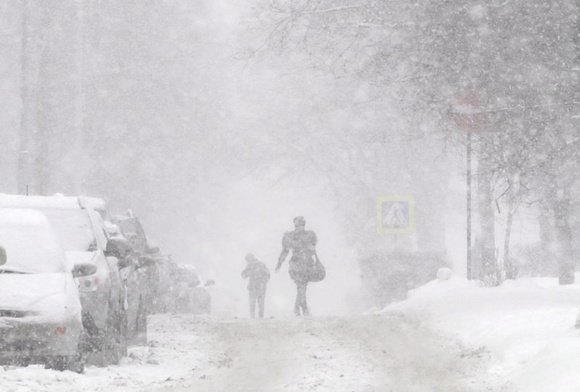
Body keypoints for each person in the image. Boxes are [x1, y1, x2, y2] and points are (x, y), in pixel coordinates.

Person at [275, 216, 317, 317]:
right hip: (301, 265)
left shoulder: (291, 236)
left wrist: (280, 263)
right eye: (297, 225)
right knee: (302, 287)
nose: (298, 227)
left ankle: (300, 309)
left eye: (298, 224)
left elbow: (285, 251)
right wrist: (279, 263)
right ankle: (300, 309)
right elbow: (312, 249)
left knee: (301, 287)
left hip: (299, 265)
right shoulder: (308, 236)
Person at [241, 253, 270, 318]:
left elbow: (267, 275)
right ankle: (253, 319)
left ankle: (260, 318)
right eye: (247, 261)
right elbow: (243, 275)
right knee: (252, 304)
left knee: (260, 304)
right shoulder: (249, 266)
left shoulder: (261, 265)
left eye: (249, 260)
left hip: (260, 287)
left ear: (252, 259)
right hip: (252, 287)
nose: (248, 262)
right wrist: (247, 273)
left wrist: (263, 283)